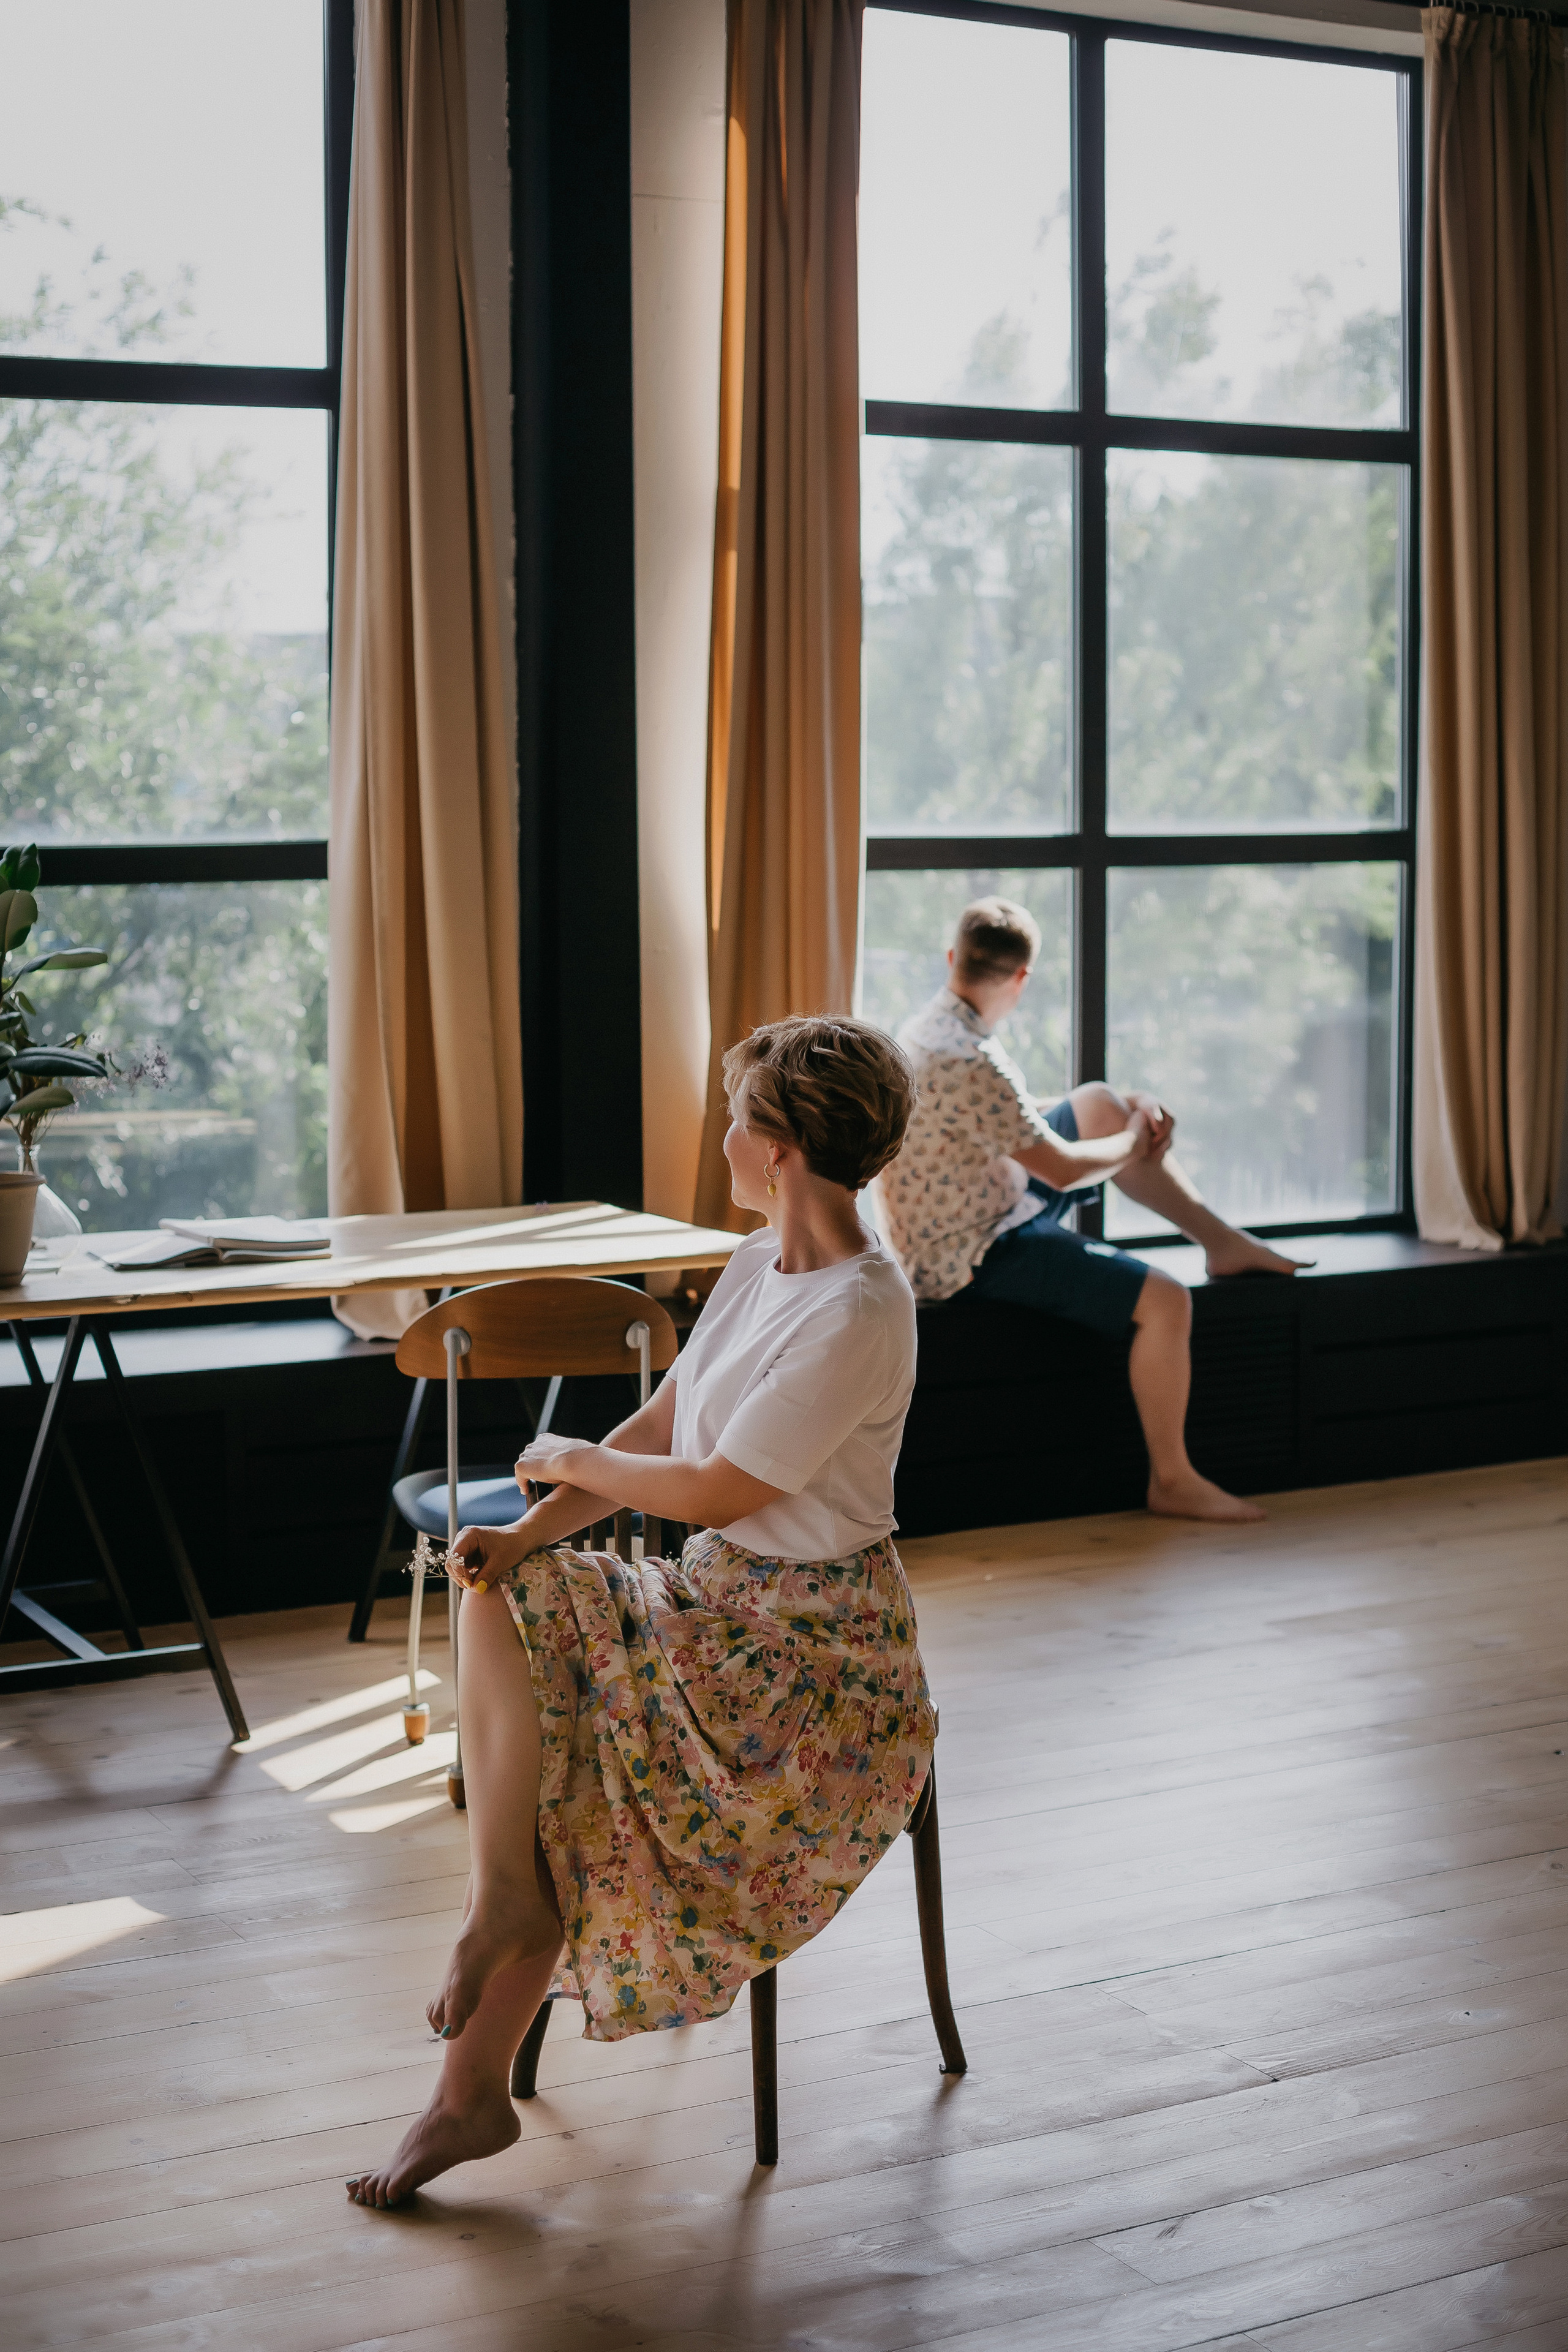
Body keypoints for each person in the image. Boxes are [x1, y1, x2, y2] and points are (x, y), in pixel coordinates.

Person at [347, 1014, 933, 2209]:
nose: (723, 1140)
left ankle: (471, 2073)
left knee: (570, 1741)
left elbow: (716, 1487)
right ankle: (496, 1931)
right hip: (714, 1605)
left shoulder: (861, 1309)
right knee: (497, 1593)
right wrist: (526, 1533)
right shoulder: (755, 1264)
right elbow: (662, 1425)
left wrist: (569, 1459)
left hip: (812, 1669)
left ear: (777, 1147)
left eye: (736, 1120)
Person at [878, 897, 1308, 1526]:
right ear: (1022, 978)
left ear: (953, 959)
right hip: (970, 1250)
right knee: (1169, 1303)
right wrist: (1134, 1140)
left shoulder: (929, 1028)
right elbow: (1062, 1169)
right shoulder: (971, 1058)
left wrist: (1130, 1107)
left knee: (1101, 1102)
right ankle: (1173, 1480)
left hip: (974, 1201)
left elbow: (1006, 1113)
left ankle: (1221, 1242)